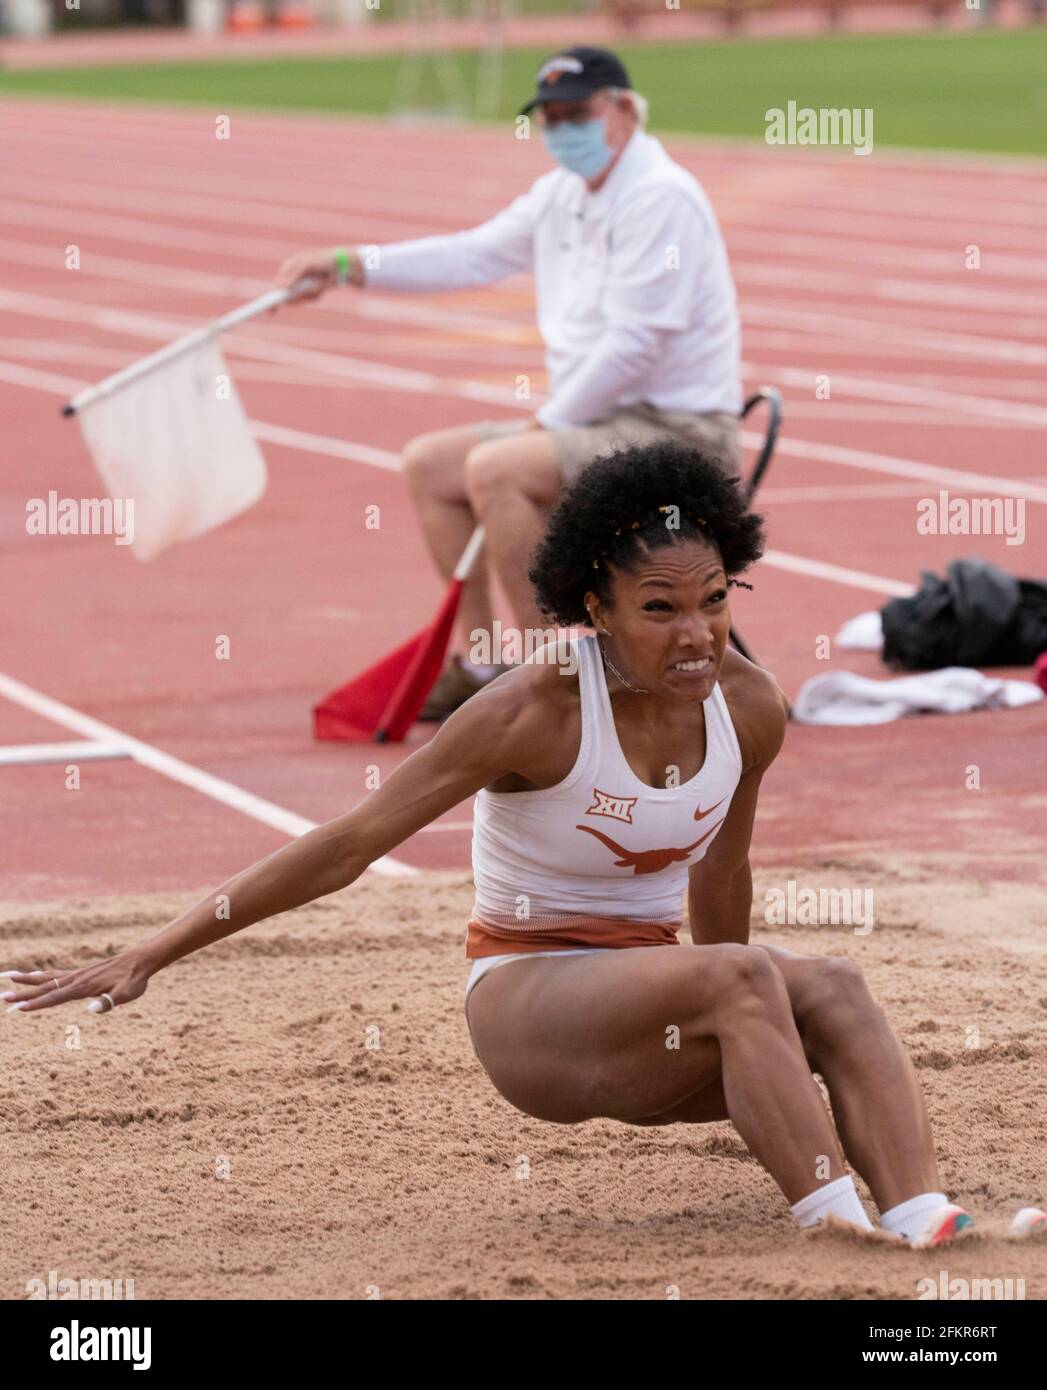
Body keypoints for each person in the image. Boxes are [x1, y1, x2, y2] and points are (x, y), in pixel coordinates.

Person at [7, 441, 1040, 1249]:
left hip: (656, 1003)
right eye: (660, 609)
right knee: (739, 977)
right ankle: (836, 1230)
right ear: (592, 609)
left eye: (716, 601)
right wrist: (154, 948)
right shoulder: (531, 713)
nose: (696, 634)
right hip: (532, 1005)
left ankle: (920, 1215)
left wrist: (752, 1019)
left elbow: (725, 874)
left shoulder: (750, 707)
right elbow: (350, 841)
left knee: (835, 983)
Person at [273, 45, 743, 719]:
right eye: (548, 117)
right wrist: (350, 264)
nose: (561, 130)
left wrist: (549, 421)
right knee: (431, 464)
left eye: (575, 113)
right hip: (598, 422)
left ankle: (552, 682)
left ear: (623, 110)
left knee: (498, 470)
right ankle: (484, 662)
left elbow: (636, 344)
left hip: (680, 432)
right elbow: (472, 253)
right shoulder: (562, 194)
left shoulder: (660, 198)